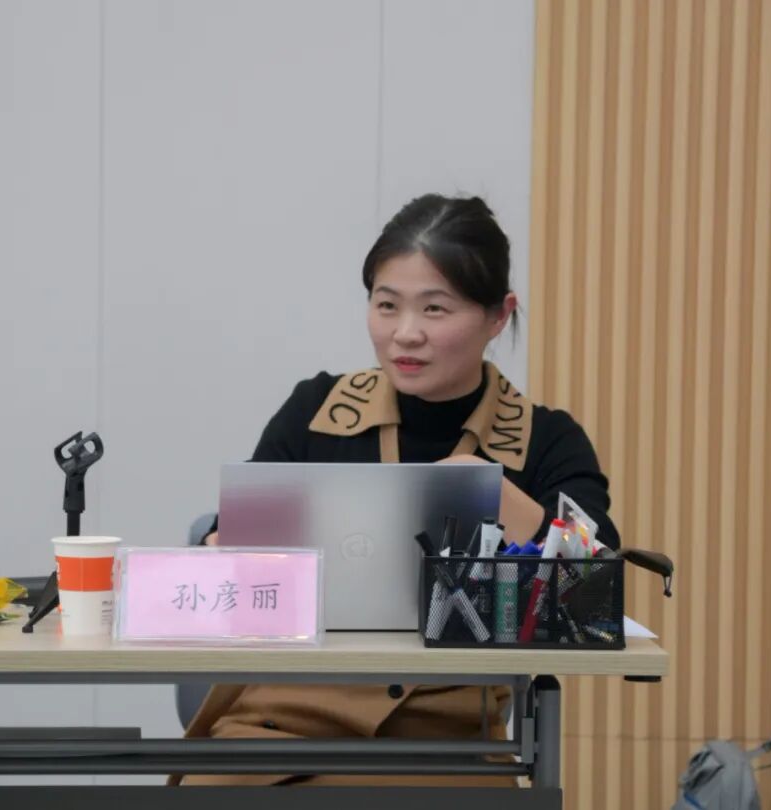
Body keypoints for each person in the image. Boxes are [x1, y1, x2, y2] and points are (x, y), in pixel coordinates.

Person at [174, 193, 620, 788]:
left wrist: (496, 494)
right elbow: (230, 552)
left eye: (435, 309)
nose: (405, 334)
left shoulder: (544, 440)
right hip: (281, 722)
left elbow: (595, 595)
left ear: (498, 316)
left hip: (445, 742)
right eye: (387, 305)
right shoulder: (316, 410)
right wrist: (220, 548)